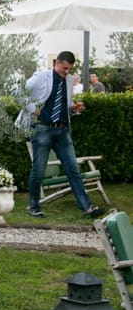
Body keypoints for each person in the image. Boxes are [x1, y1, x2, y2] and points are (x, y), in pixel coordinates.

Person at [19, 51, 105, 219]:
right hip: (42, 129)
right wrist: (32, 109)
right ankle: (34, 207)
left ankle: (87, 209)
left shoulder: (69, 80)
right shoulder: (41, 76)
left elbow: (65, 103)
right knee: (38, 171)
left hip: (63, 131)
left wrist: (73, 108)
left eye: (69, 69)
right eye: (64, 68)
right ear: (56, 63)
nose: (67, 72)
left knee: (73, 170)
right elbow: (18, 91)